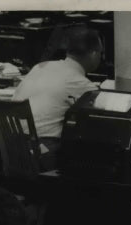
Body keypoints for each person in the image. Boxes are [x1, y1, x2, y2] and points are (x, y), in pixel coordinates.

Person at [12, 26, 103, 169]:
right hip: (42, 151)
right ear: (93, 54)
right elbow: (101, 110)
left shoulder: (40, 66)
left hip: (14, 146)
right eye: (100, 53)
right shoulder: (80, 83)